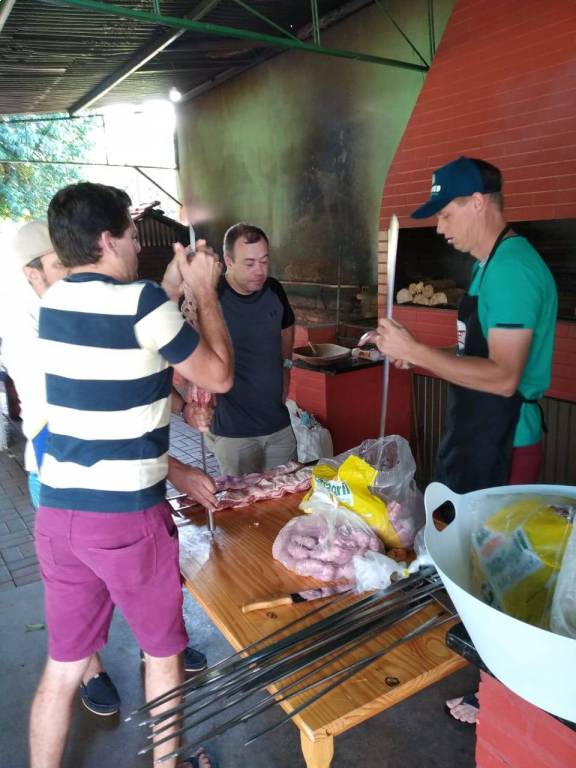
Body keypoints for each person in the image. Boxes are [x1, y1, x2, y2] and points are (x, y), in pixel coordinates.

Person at [29, 182, 233, 768]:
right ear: (107, 239)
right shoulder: (142, 303)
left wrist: (170, 291)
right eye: (131, 235)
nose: (138, 246)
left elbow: (123, 361)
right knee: (163, 653)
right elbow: (218, 375)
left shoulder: (55, 304)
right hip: (124, 519)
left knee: (64, 666)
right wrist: (203, 290)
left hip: (59, 515)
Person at [365, 156, 557, 724]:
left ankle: (499, 700)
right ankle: (487, 678)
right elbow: (476, 355)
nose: (440, 226)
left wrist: (418, 352)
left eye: (446, 213)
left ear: (479, 203)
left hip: (507, 441)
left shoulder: (513, 269)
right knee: (477, 561)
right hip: (477, 432)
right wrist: (419, 357)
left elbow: (503, 376)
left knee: (504, 574)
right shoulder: (485, 266)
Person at [200, 222, 297, 475]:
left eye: (264, 262)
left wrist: (286, 366)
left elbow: (287, 326)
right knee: (242, 499)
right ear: (228, 261)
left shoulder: (273, 289)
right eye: (250, 263)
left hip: (278, 426)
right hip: (234, 433)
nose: (259, 271)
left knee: (287, 494)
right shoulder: (211, 296)